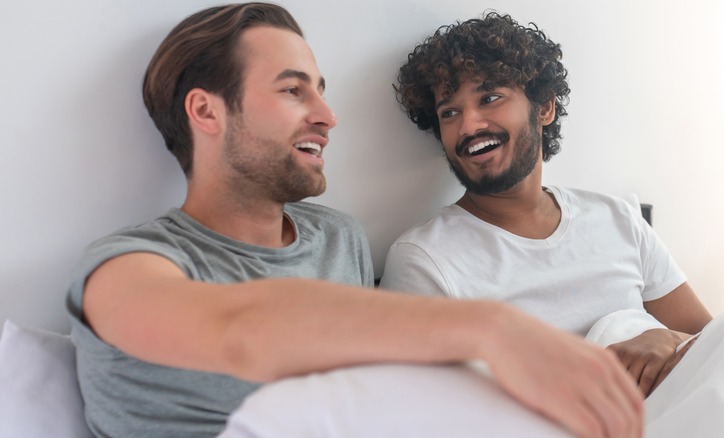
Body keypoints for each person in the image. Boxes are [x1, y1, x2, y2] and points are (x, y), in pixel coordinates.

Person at [65, 4, 643, 438]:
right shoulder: (125, 267)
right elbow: (240, 332)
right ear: (205, 110)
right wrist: (492, 327)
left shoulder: (337, 239)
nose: (327, 116)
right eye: (293, 90)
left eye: (320, 91)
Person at [382, 11, 724, 437]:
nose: (469, 125)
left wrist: (662, 340)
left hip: (680, 403)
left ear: (545, 107)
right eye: (449, 112)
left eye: (490, 98)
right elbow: (432, 413)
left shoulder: (616, 218)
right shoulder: (426, 259)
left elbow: (711, 340)